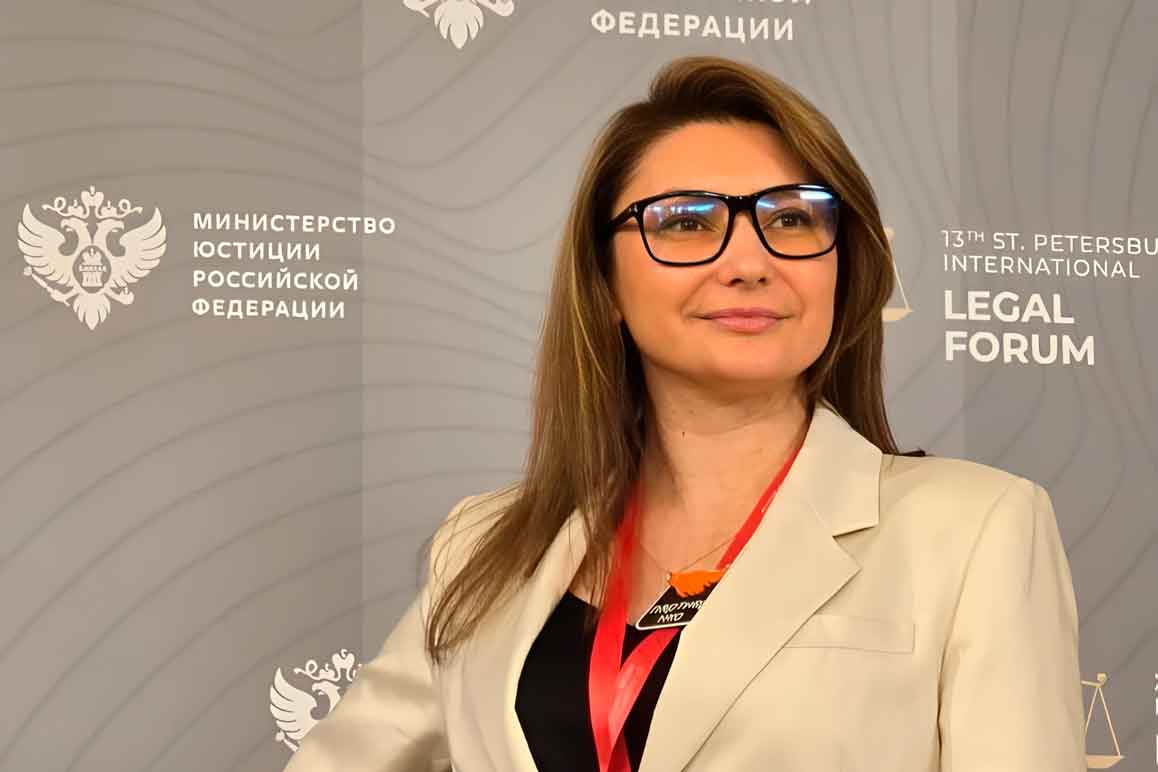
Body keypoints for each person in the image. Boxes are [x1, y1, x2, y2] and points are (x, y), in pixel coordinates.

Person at [282, 55, 1085, 772]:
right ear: (605, 282)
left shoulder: (976, 531)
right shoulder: (482, 547)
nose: (749, 262)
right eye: (687, 223)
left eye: (792, 217)